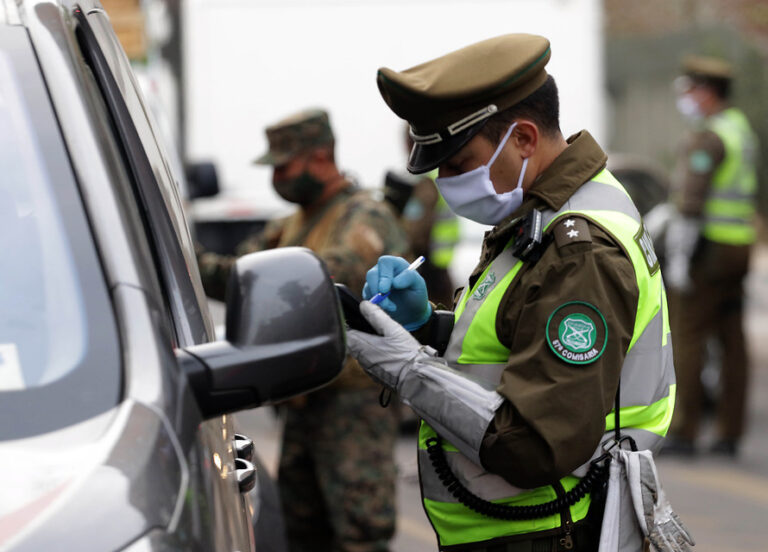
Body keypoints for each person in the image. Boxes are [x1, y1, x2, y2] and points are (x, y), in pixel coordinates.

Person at [345, 35, 685, 551]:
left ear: (524, 138)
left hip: (547, 530)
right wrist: (430, 326)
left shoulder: (578, 249)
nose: (446, 182)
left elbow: (533, 444)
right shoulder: (542, 209)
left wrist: (409, 369)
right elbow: (514, 341)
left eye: (460, 164)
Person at [198, 108, 408, 552]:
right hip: (303, 399)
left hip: (351, 404)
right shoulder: (294, 222)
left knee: (360, 530)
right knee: (301, 529)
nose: (278, 176)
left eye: (284, 165)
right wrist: (189, 261)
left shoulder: (363, 215)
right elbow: (240, 272)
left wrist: (269, 275)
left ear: (320, 156)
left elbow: (337, 273)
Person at [664, 56, 759, 457]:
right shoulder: (741, 130)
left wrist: (680, 257)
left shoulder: (709, 138)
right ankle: (729, 431)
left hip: (710, 248)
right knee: (732, 336)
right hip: (740, 244)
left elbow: (691, 202)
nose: (686, 99)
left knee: (688, 332)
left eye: (690, 91)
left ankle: (684, 430)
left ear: (706, 93)